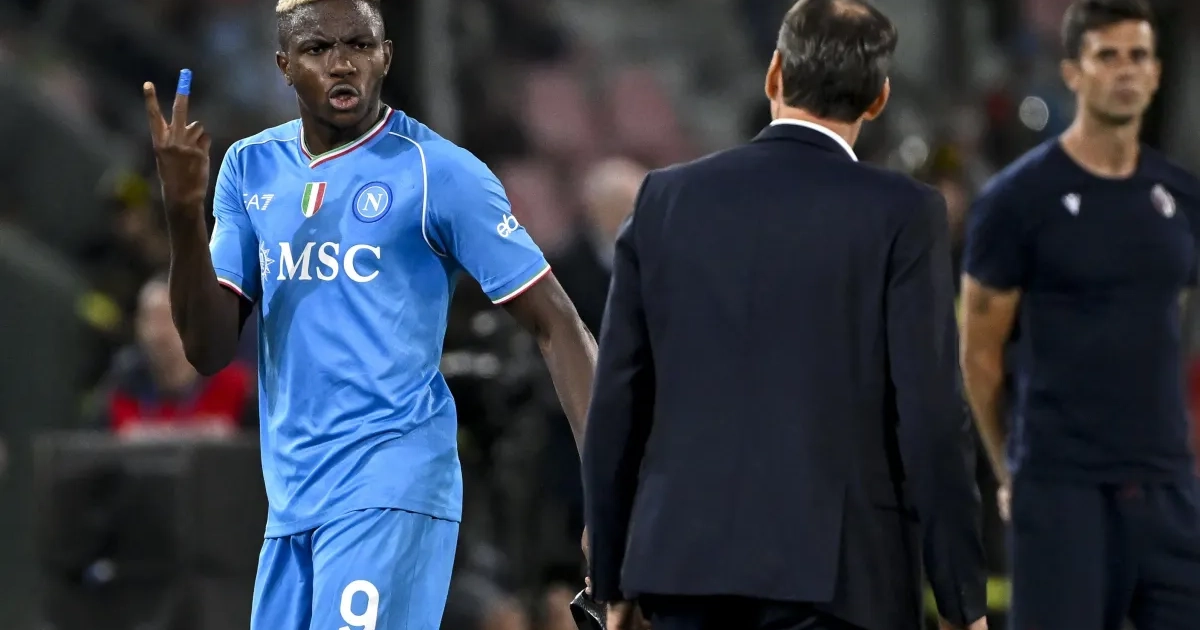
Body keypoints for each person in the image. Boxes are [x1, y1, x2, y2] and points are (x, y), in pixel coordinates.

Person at [140, 0, 597, 627]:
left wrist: (607, 494)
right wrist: (182, 214)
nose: (342, 63)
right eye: (317, 49)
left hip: (390, 485)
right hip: (291, 502)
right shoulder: (250, 167)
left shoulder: (438, 172)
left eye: (359, 44)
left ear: (386, 56)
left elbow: (559, 324)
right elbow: (207, 350)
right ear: (284, 65)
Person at [582, 1, 987, 629]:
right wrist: (961, 601)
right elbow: (931, 418)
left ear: (774, 73)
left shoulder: (665, 199)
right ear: (877, 99)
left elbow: (617, 402)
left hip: (681, 571)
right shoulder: (902, 214)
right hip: (839, 585)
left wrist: (611, 579)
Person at [960, 1, 1200, 628]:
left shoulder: (1181, 197)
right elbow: (979, 354)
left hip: (1168, 489)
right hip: (1061, 487)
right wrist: (1011, 466)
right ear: (1073, 72)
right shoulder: (1017, 200)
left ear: (1156, 72)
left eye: (1138, 55)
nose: (1125, 70)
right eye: (1107, 56)